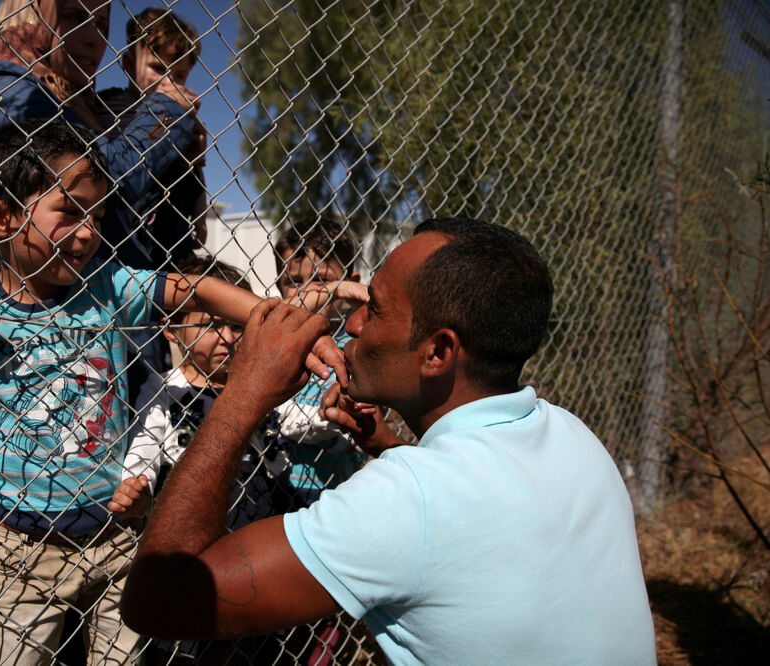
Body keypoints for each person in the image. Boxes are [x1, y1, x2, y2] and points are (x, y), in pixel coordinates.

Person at [0, 119, 338, 665]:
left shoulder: (108, 287)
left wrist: (284, 325)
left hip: (119, 535)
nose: (88, 232)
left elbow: (191, 288)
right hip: (21, 548)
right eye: (70, 211)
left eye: (98, 216)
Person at [120, 218, 657, 665]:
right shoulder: (570, 433)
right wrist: (379, 438)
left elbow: (156, 601)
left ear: (437, 353)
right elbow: (461, 509)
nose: (350, 323)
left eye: (373, 308)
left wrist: (242, 396)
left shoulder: (403, 499)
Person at [113, 256, 287, 663]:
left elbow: (286, 437)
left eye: (236, 326)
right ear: (172, 330)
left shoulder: (254, 390)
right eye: (210, 325)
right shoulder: (163, 393)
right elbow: (145, 447)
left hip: (256, 551)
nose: (226, 337)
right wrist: (136, 489)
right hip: (195, 560)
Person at [0, 0, 200, 270]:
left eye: (101, 24)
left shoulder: (79, 103)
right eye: (75, 17)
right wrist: (169, 111)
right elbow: (109, 174)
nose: (94, 39)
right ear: (33, 18)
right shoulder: (9, 90)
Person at [99, 7, 208, 270]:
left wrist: (200, 215)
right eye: (158, 68)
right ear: (128, 64)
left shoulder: (183, 116)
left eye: (179, 75)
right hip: (121, 224)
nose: (168, 82)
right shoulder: (105, 105)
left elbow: (194, 169)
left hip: (167, 226)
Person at [274, 218, 367, 510]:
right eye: (295, 282)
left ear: (350, 284)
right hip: (275, 485)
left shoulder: (354, 348)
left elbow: (345, 428)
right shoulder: (274, 346)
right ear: (280, 286)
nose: (308, 293)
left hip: (337, 491)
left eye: (322, 280)